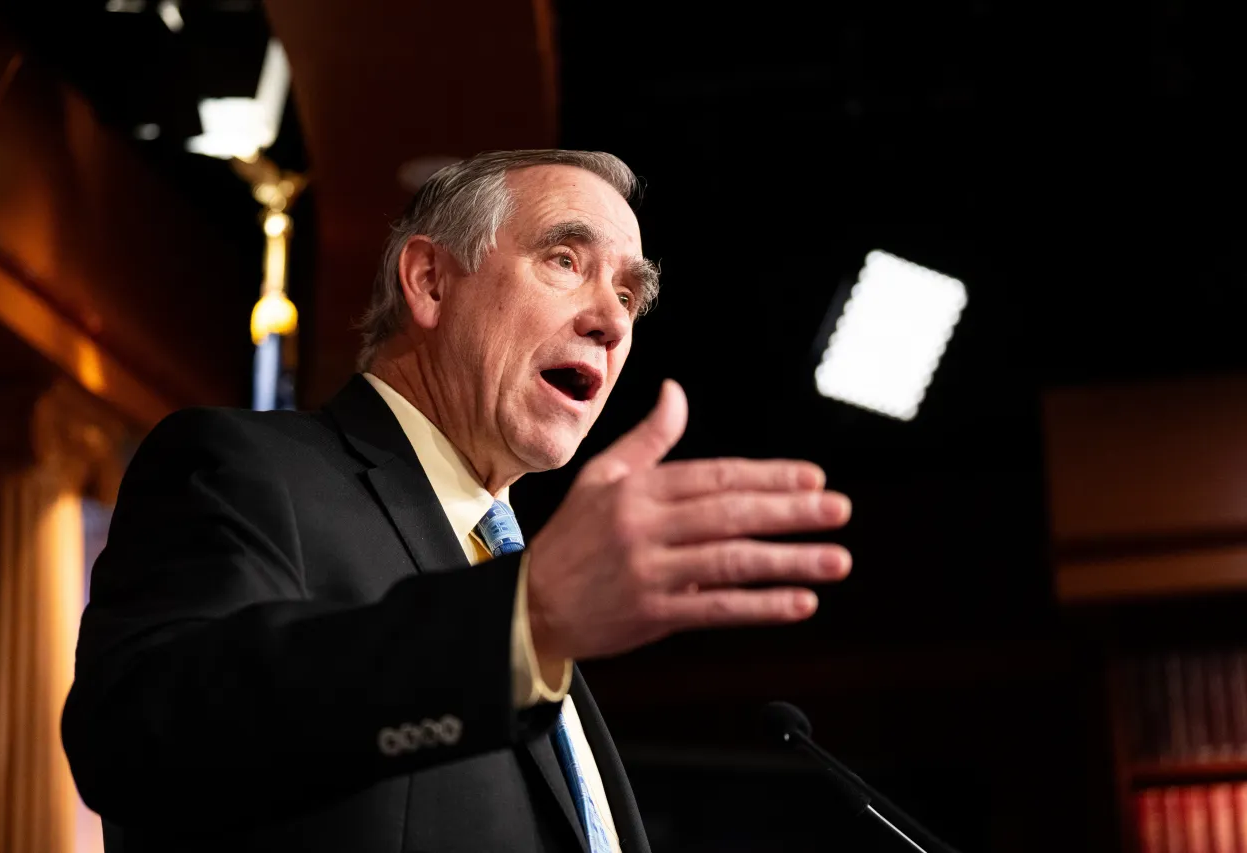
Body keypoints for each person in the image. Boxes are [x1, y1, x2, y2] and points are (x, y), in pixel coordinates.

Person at [62, 149, 854, 852]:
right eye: (566, 260)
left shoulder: (506, 565)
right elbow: (138, 743)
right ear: (430, 280)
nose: (613, 320)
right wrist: (522, 621)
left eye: (629, 293)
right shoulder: (248, 470)